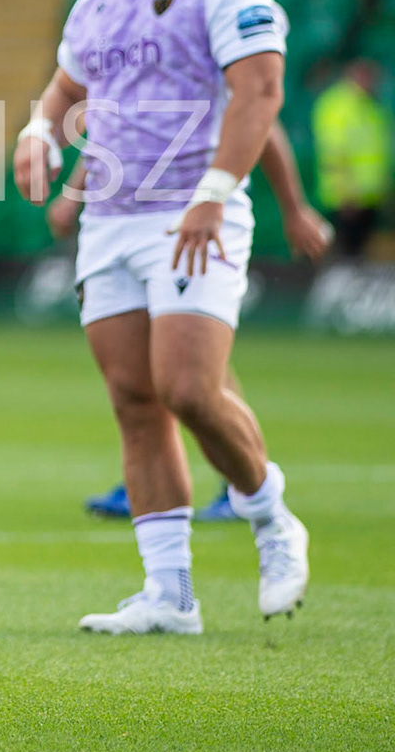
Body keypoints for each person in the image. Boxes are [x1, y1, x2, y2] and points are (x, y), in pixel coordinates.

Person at [16, 0, 310, 635]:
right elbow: (68, 86)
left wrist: (216, 194)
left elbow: (260, 93)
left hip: (191, 214)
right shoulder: (97, 0)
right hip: (111, 220)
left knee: (189, 388)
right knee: (135, 400)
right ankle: (169, 595)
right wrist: (41, 132)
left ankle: (273, 519)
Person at [52, 121, 334, 520]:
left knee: (192, 368)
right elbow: (111, 125)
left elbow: (263, 120)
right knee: (151, 364)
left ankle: (246, 487)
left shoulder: (210, 61)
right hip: (127, 220)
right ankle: (152, 478)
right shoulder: (127, 65)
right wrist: (75, 191)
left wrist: (293, 208)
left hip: (196, 220)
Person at [311, 57, 391, 255]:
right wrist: (345, 192)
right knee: (343, 250)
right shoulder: (337, 105)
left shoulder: (371, 106)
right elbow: (334, 153)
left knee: (358, 252)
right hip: (347, 197)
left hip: (369, 196)